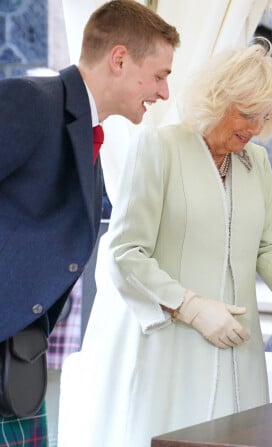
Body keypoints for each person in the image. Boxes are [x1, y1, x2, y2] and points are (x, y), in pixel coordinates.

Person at [57, 38, 272, 447]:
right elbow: (125, 253)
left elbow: (267, 247)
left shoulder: (257, 163)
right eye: (247, 114)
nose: (253, 128)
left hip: (239, 350)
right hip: (170, 348)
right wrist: (191, 307)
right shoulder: (160, 147)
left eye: (263, 117)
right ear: (218, 98)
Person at [0, 0, 179, 443]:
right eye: (160, 75)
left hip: (18, 356)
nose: (163, 93)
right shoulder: (32, 101)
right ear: (119, 59)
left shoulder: (85, 131)